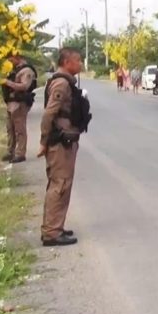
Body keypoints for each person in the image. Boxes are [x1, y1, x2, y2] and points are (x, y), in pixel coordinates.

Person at [39, 48, 91, 247]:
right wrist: (44, 141)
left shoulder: (66, 81)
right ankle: (51, 232)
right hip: (60, 142)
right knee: (59, 185)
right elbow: (48, 114)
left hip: (66, 141)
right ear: (68, 61)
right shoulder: (61, 83)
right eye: (78, 60)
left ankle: (55, 226)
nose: (81, 64)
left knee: (62, 184)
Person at [1, 52, 37, 164]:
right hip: (11, 103)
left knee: (19, 129)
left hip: (20, 103)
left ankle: (20, 153)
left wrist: (7, 83)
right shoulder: (15, 69)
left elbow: (24, 86)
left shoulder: (26, 71)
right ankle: (10, 151)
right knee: (10, 128)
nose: (10, 62)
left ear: (18, 58)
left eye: (11, 60)